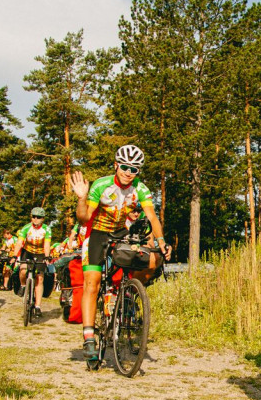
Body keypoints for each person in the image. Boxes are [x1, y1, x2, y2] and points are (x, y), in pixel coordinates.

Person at [69, 144, 171, 362]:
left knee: (150, 260)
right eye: (125, 167)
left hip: (122, 232)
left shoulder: (140, 189)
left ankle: (127, 294)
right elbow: (84, 218)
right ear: (116, 165)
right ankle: (88, 337)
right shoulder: (101, 185)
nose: (128, 172)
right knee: (92, 282)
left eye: (134, 169)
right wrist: (81, 198)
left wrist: (161, 241)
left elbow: (152, 218)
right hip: (96, 233)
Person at [14, 207, 52, 318]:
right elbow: (19, 242)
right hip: (28, 252)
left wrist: (47, 256)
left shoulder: (47, 229)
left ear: (43, 219)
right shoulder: (26, 228)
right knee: (23, 269)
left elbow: (47, 245)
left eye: (38, 217)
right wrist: (14, 255)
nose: (35, 219)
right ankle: (23, 285)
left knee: (39, 278)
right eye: (33, 216)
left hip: (40, 253)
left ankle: (38, 306)